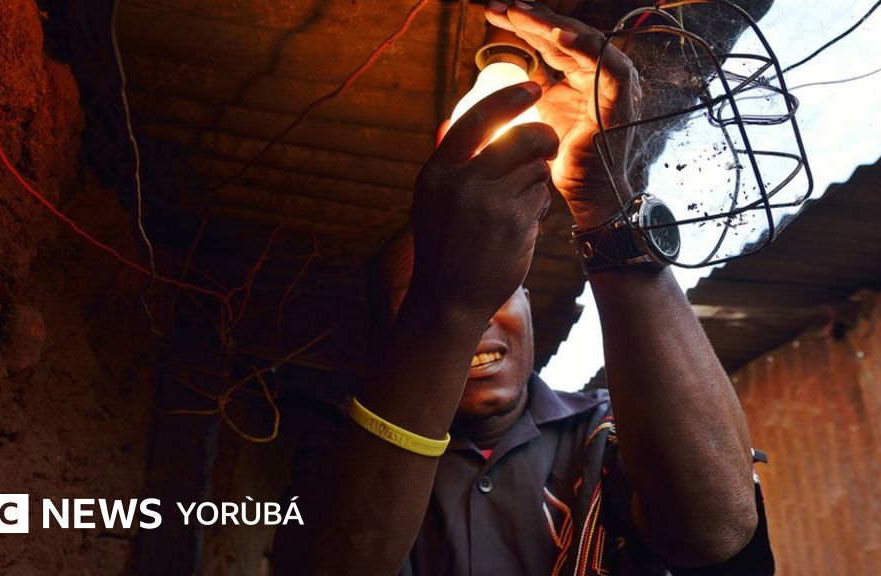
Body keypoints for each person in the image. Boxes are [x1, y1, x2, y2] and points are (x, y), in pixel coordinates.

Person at [274, 2, 773, 574]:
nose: (483, 311)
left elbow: (716, 532)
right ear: (394, 330)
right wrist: (449, 304)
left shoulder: (609, 431)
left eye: (500, 288)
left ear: (530, 306)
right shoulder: (340, 446)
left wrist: (606, 204)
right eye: (416, 294)